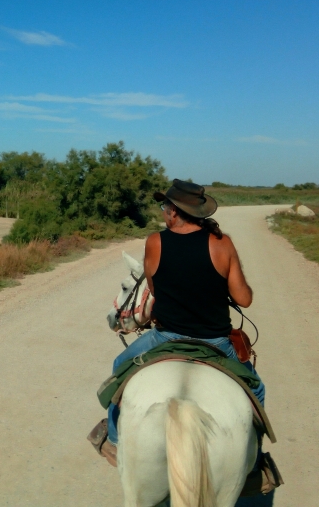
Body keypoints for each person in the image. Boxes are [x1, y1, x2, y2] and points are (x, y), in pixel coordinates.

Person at [97, 179, 276, 490]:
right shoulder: (223, 244)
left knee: (118, 369)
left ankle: (114, 440)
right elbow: (244, 299)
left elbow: (153, 287)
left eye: (164, 206)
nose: (164, 211)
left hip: (165, 338)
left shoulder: (155, 242)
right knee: (256, 389)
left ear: (173, 213)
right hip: (216, 342)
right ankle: (255, 462)